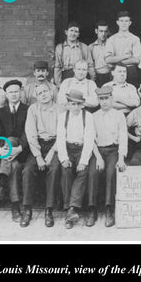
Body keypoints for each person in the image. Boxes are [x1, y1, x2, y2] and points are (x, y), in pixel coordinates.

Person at [87, 86, 128, 227]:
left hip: (113, 150)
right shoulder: (93, 117)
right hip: (98, 151)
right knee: (92, 172)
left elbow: (123, 137)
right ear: (98, 100)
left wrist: (121, 157)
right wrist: (98, 157)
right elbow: (90, 139)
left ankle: (109, 209)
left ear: (111, 98)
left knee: (111, 173)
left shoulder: (119, 115)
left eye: (107, 98)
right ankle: (92, 209)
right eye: (101, 99)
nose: (104, 102)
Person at [21, 82, 61, 228]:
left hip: (55, 145)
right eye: (40, 93)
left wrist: (51, 153)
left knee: (55, 169)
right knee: (28, 170)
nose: (43, 95)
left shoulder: (60, 109)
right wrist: (38, 156)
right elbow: (30, 134)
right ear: (36, 96)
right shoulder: (33, 109)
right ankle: (27, 209)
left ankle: (48, 210)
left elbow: (62, 134)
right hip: (37, 145)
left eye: (45, 91)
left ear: (51, 92)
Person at [0, 80, 29, 222]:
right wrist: (1, 148)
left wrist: (19, 149)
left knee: (12, 139)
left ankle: (1, 185)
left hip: (23, 150)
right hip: (6, 153)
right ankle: (15, 207)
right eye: (11, 92)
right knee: (14, 166)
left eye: (16, 91)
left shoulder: (28, 109)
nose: (14, 94)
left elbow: (28, 132)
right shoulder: (0, 112)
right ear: (6, 94)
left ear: (21, 92)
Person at [57, 90, 95, 229]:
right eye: (72, 104)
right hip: (67, 148)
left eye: (78, 104)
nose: (75, 107)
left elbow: (89, 139)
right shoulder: (63, 117)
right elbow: (60, 138)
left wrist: (83, 161)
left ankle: (72, 208)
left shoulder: (88, 116)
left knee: (82, 173)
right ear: (68, 104)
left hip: (82, 149)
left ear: (82, 105)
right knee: (66, 171)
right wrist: (64, 158)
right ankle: (69, 209)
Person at [104, 11, 141, 88]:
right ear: (117, 22)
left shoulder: (135, 39)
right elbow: (108, 59)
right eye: (121, 21)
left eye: (126, 21)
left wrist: (116, 61)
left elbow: (136, 60)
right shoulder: (111, 39)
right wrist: (126, 56)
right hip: (115, 70)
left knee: (131, 93)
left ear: (130, 23)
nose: (124, 23)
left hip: (131, 71)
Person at [54, 21, 95, 86]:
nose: (73, 33)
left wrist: (92, 81)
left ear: (78, 34)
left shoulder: (84, 47)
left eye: (76, 31)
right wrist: (58, 83)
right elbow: (57, 67)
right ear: (66, 32)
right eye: (71, 30)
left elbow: (90, 65)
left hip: (81, 78)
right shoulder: (60, 48)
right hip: (65, 77)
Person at [88, 20, 112, 87]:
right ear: (96, 31)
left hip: (110, 76)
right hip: (97, 77)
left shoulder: (112, 45)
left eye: (105, 31)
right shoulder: (91, 47)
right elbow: (90, 65)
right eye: (101, 31)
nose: (103, 34)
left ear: (108, 32)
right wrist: (93, 78)